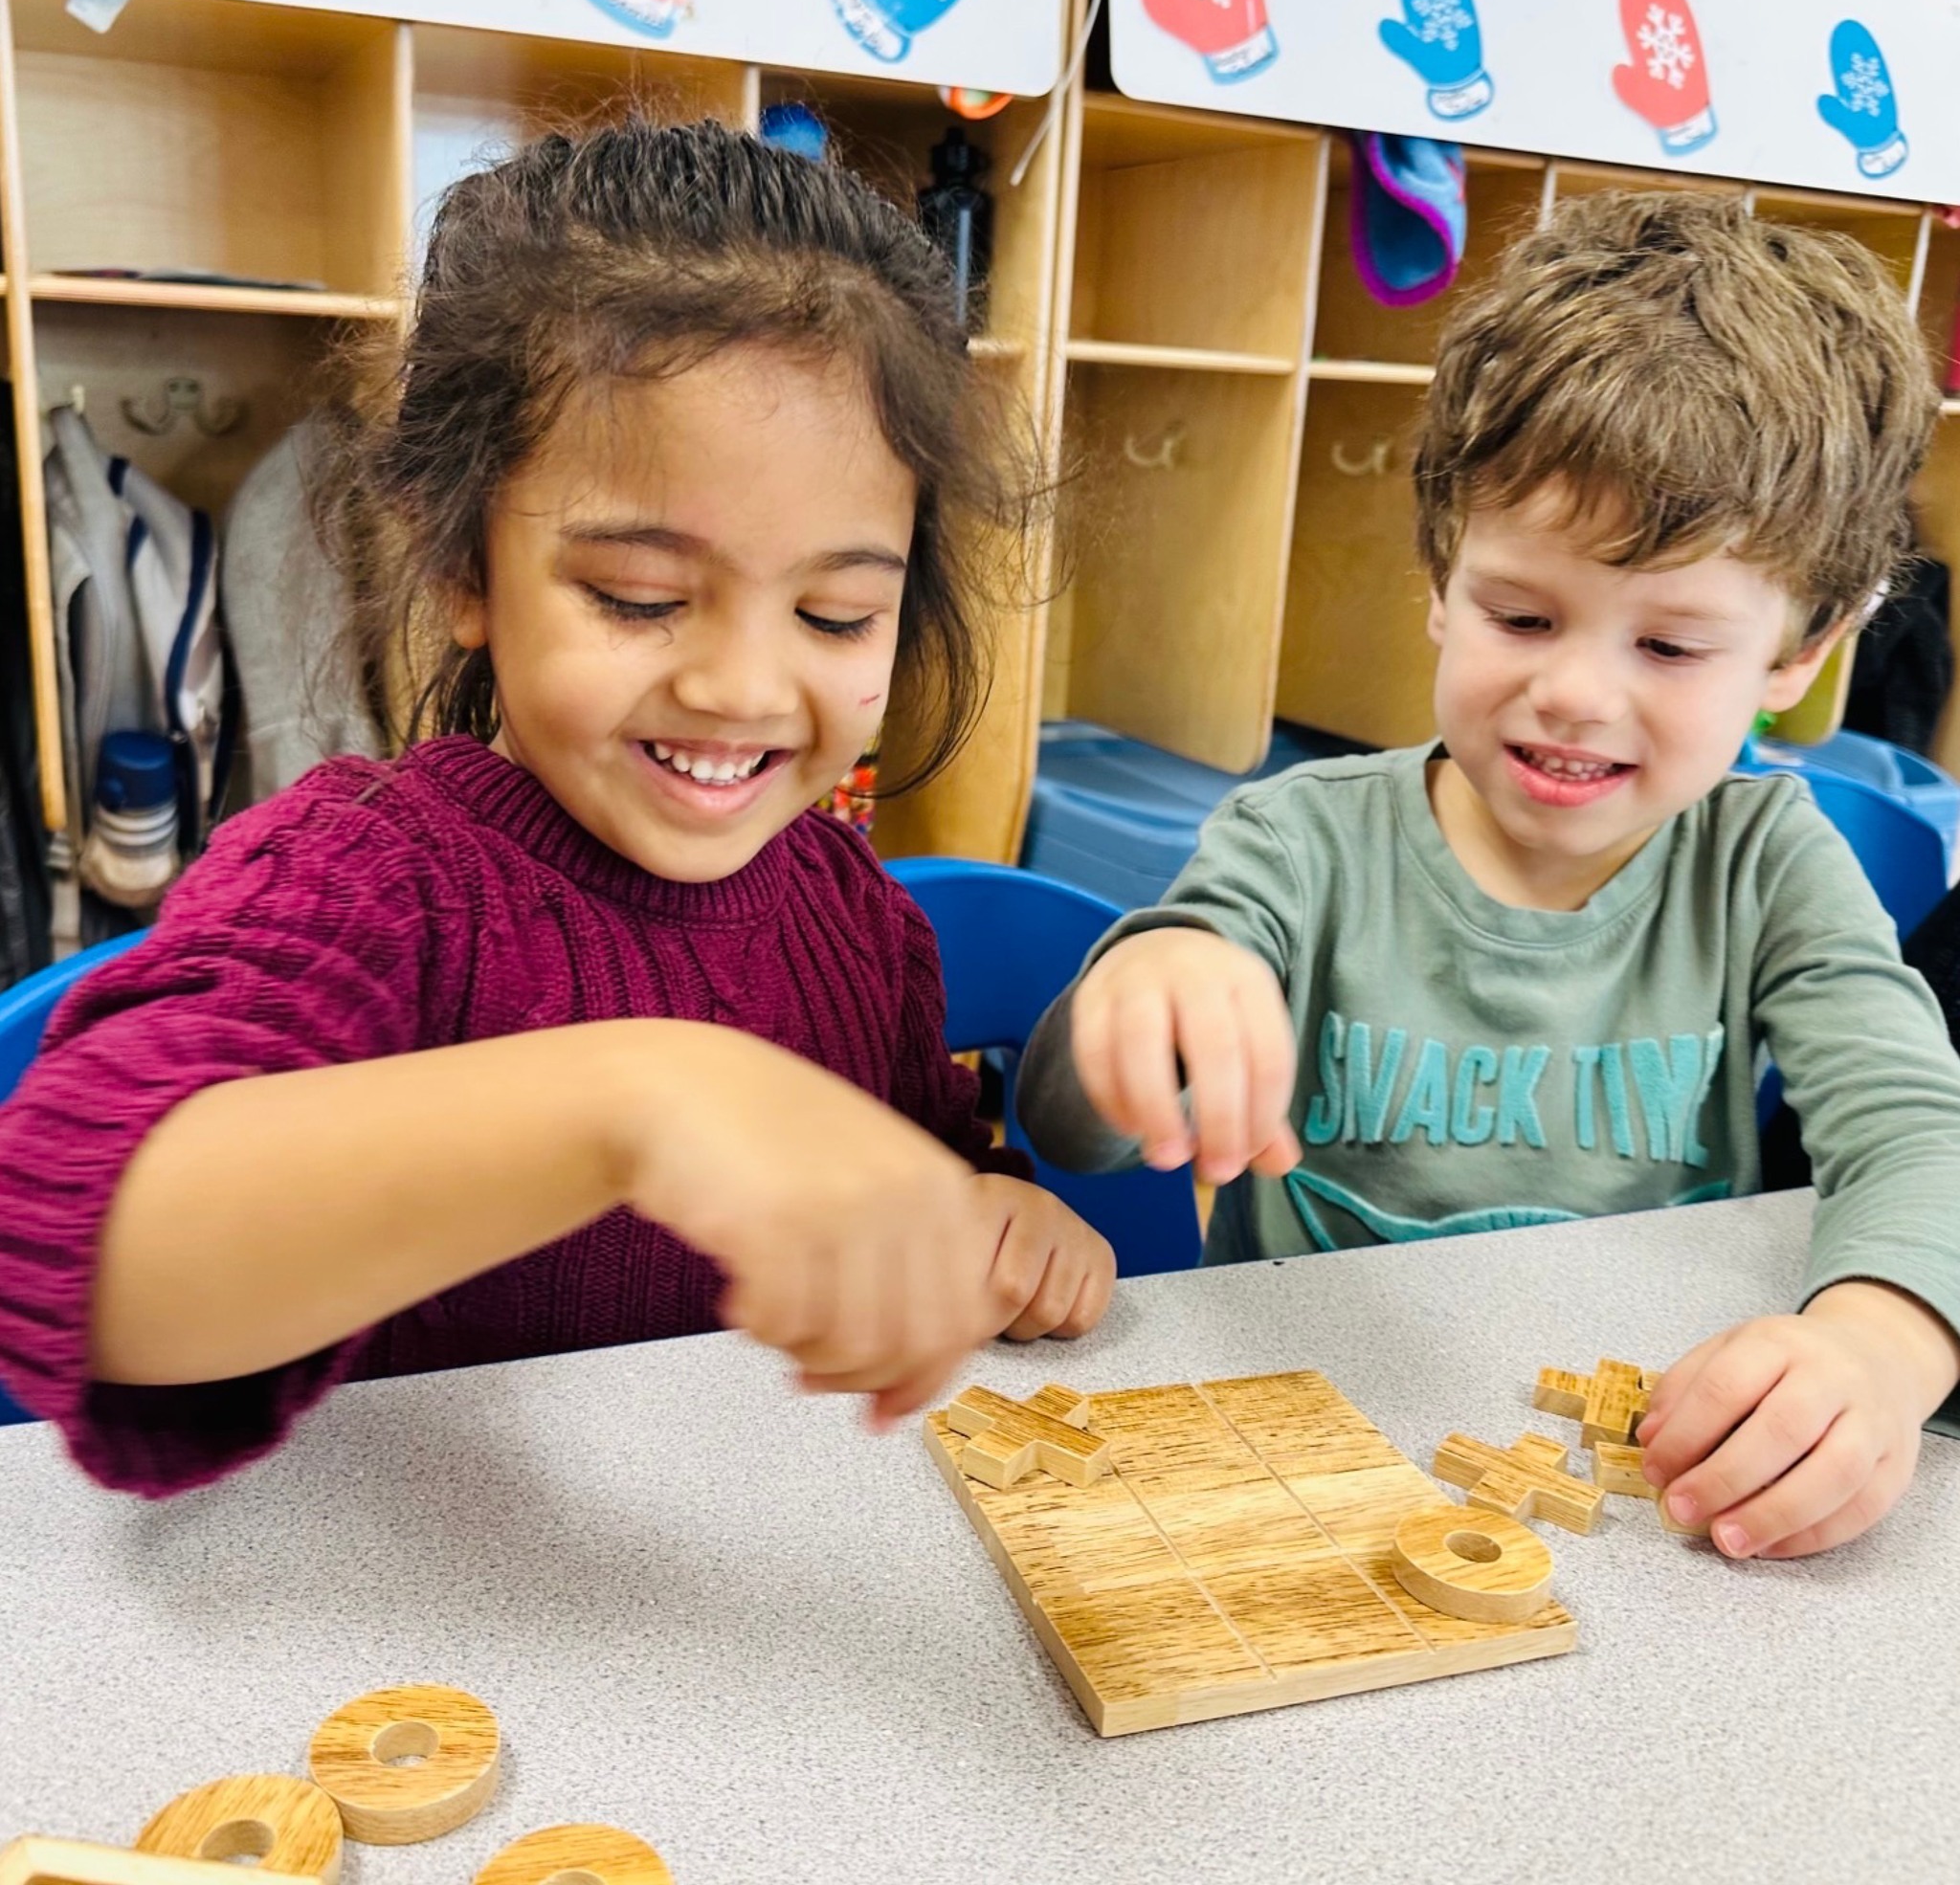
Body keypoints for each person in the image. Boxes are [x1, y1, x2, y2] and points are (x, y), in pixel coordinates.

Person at [0, 117, 1113, 1497]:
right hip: (404, 1641)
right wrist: (635, 1099)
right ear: (462, 565)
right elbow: (87, 1244)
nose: (742, 685)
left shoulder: (856, 923)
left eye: (837, 614)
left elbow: (917, 1180)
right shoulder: (367, 877)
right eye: (638, 600)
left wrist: (988, 1218)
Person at [1019, 191, 1960, 1561]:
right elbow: (1069, 1127)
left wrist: (1884, 1341)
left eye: (1672, 648)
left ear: (1794, 659)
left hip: (1637, 1485)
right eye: (1523, 614)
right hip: (1311, 1463)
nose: (1573, 692)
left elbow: (1919, 1130)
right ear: (1441, 585)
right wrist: (1141, 995)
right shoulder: (1299, 842)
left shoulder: (1770, 861)